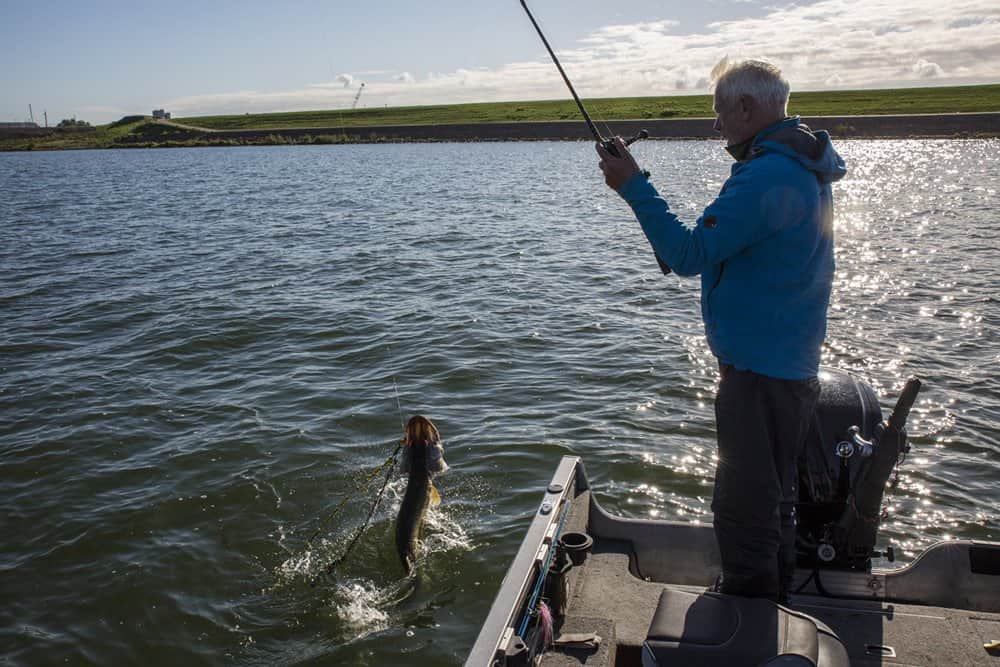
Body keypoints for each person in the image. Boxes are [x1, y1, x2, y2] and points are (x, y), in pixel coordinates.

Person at [596, 58, 846, 602]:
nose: (716, 127)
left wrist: (634, 187)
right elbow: (721, 249)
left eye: (719, 114)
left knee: (743, 508)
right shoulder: (795, 164)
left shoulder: (768, 175)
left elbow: (688, 254)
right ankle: (770, 604)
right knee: (771, 502)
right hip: (784, 363)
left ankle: (748, 618)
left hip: (760, 374)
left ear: (747, 108)